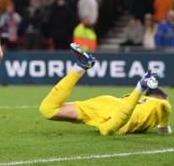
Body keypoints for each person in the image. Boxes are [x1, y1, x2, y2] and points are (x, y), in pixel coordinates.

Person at [39, 43, 171, 135]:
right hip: (125, 115)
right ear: (160, 96)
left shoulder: (141, 101)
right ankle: (141, 85)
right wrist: (164, 126)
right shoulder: (161, 103)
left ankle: (81, 66)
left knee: (48, 110)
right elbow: (163, 127)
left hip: (106, 103)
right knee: (107, 130)